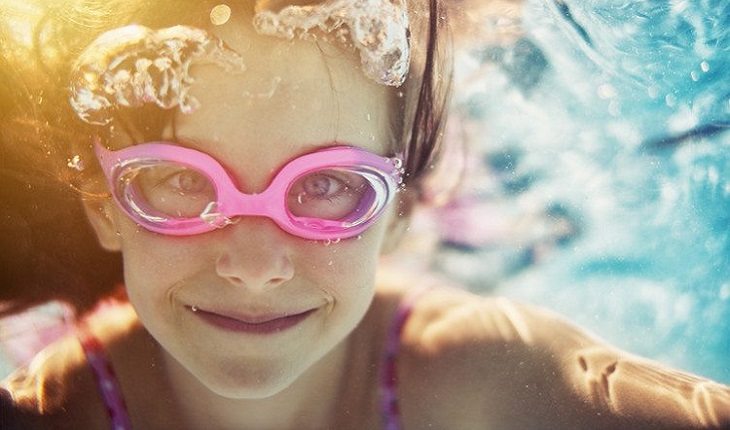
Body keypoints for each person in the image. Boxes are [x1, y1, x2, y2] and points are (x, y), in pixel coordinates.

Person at [1, 1, 729, 429]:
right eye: (175, 181)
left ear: (402, 213)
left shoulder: (471, 378)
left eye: (327, 188)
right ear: (104, 205)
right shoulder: (51, 411)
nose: (255, 267)